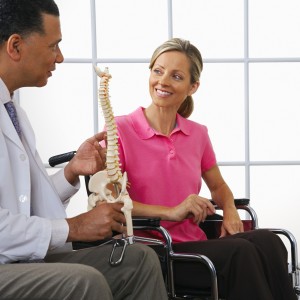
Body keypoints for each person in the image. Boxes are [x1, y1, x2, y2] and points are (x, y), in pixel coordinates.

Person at [0, 1, 169, 299]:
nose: (60, 58)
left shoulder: (14, 114)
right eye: (53, 46)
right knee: (83, 281)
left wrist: (70, 171)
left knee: (139, 261)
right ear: (15, 46)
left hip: (16, 257)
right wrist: (73, 227)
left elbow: (23, 202)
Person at [109, 38, 297, 299]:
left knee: (271, 243)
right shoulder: (119, 130)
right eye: (158, 71)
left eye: (176, 76)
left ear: (192, 86)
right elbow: (112, 203)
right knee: (240, 253)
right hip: (153, 249)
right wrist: (172, 212)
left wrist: (230, 209)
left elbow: (218, 186)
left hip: (195, 242)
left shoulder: (197, 134)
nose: (162, 81)